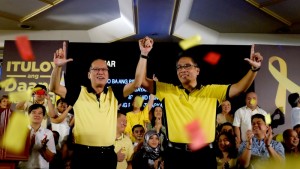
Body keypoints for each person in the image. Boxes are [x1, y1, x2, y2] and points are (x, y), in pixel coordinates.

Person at [140, 36, 263, 169]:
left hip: (204, 156)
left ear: (197, 70)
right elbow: (142, 81)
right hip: (175, 155)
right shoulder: (168, 91)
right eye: (179, 67)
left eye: (187, 66)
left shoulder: (211, 91)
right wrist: (144, 54)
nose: (182, 70)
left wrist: (254, 70)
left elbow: (239, 88)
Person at [49, 38, 151, 169]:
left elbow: (137, 83)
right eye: (96, 69)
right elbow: (54, 88)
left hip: (107, 155)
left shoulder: (114, 93)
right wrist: (57, 67)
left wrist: (144, 54)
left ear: (108, 74)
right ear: (89, 74)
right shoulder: (79, 92)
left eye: (104, 69)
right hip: (82, 154)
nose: (100, 72)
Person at [18, 104, 56, 169]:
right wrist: (29, 144)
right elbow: (16, 154)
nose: (37, 115)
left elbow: (50, 158)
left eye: (40, 113)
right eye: (34, 112)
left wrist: (43, 147)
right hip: (23, 167)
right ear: (28, 115)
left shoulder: (48, 133)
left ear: (43, 116)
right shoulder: (20, 131)